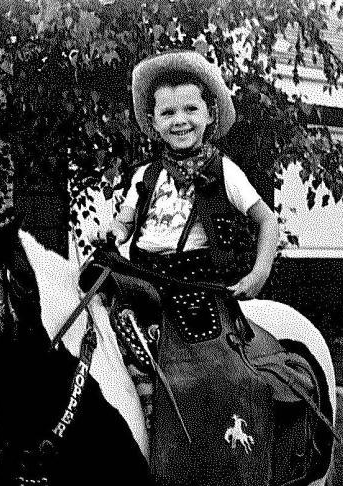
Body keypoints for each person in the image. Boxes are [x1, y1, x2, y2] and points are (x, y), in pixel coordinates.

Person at [110, 49, 278, 301]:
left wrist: (258, 274)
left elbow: (267, 220)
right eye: (167, 113)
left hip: (198, 286)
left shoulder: (224, 171)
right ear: (153, 121)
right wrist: (114, 232)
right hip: (144, 282)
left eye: (191, 109)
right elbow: (125, 222)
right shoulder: (146, 175)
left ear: (209, 114)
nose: (180, 120)